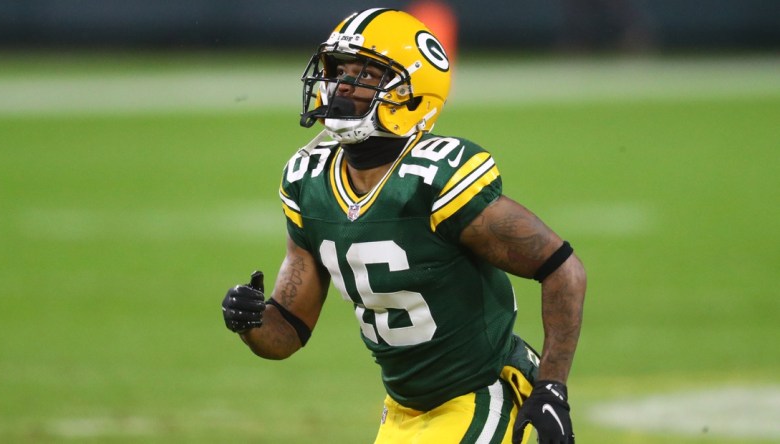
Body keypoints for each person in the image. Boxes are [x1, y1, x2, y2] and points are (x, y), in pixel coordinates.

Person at [222, 8, 586, 444]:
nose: (342, 85)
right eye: (341, 70)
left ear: (413, 93)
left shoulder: (434, 179)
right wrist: (251, 322)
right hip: (402, 410)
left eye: (366, 75)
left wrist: (551, 388)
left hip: (480, 393)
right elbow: (287, 331)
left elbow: (562, 268)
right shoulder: (308, 182)